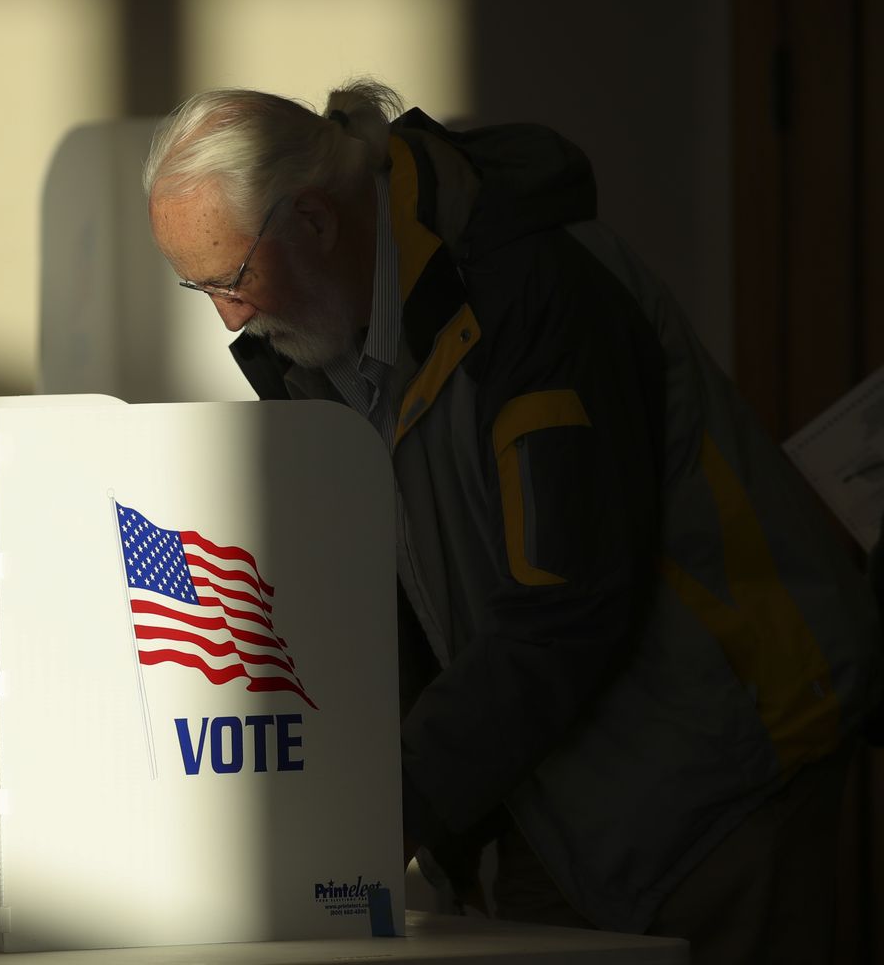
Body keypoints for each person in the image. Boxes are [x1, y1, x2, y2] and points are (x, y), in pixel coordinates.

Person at [141, 79, 882, 963]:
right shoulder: (313, 345)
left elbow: (569, 602)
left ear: (315, 220)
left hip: (720, 766)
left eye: (232, 277)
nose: (229, 318)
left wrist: (383, 809)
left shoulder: (529, 286)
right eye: (200, 286)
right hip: (540, 781)